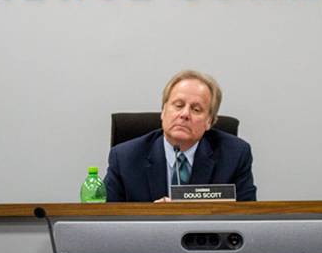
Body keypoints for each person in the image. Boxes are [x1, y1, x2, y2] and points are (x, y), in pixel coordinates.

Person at [104, 70, 257, 202]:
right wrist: (152, 216)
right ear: (163, 111)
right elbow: (107, 220)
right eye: (178, 105)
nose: (184, 114)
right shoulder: (125, 158)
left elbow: (248, 217)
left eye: (196, 109)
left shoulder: (235, 155)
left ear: (209, 121)